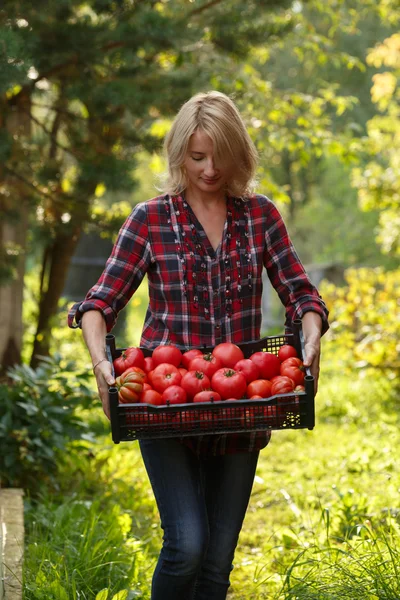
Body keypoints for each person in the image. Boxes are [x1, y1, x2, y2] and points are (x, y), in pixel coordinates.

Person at [68, 90, 329, 600]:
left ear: (239, 155)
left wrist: (312, 331)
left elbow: (300, 292)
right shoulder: (150, 220)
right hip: (165, 404)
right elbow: (100, 302)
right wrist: (102, 363)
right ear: (179, 154)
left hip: (242, 404)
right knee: (186, 545)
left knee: (215, 569)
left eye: (221, 156)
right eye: (197, 156)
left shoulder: (260, 217)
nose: (209, 169)